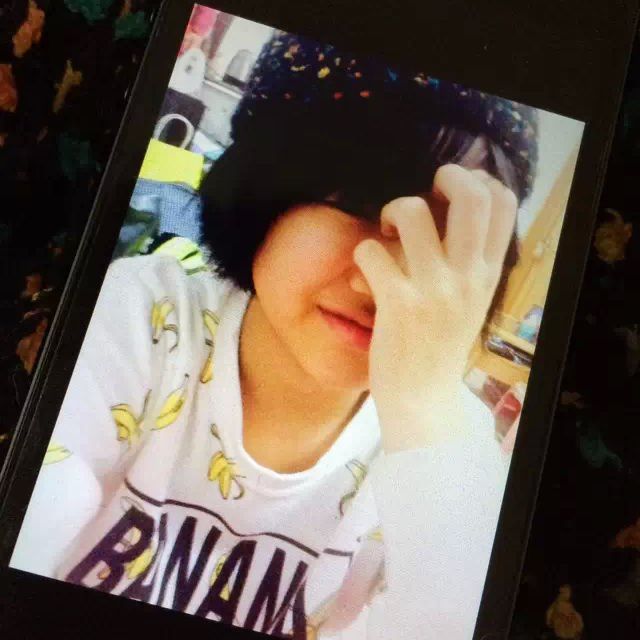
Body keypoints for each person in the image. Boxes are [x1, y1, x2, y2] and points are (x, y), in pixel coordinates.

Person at [11, 31, 538, 639]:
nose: (381, 285)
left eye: (441, 240)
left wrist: (423, 408)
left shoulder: (449, 446)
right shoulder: (139, 318)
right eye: (357, 204)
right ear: (261, 192)